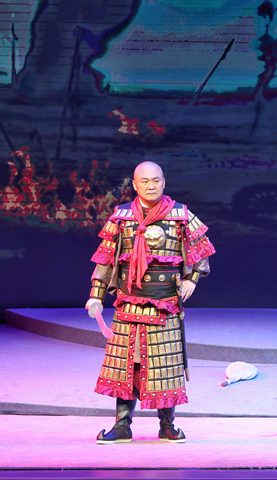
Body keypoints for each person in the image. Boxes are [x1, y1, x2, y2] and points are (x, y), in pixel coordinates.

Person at [85, 161, 215, 444]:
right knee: (125, 365)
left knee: (165, 365)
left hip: (165, 303)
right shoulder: (121, 217)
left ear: (164, 182)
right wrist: (96, 294)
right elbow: (105, 258)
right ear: (135, 185)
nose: (151, 185)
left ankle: (167, 426)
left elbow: (201, 249)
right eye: (144, 181)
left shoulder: (180, 215)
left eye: (156, 180)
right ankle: (122, 425)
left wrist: (192, 279)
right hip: (129, 303)